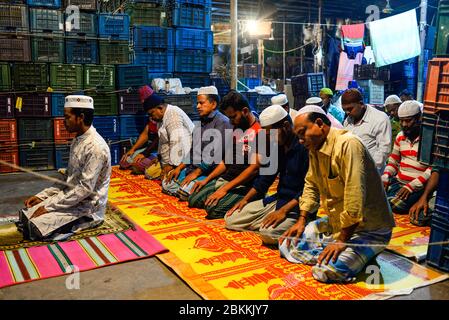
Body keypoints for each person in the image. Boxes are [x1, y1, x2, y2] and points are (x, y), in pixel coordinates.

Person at [279, 111, 395, 283]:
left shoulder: (349, 144)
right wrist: (301, 220)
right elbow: (310, 183)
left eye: (302, 133)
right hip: (338, 222)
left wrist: (341, 240)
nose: (301, 141)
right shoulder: (315, 148)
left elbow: (354, 195)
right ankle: (336, 251)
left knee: (325, 271)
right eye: (298, 136)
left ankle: (350, 251)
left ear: (320, 124)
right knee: (286, 243)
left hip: (369, 228)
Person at [18, 95, 112, 241]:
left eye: (67, 117)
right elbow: (67, 177)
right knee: (27, 213)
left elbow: (84, 189)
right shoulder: (78, 139)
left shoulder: (96, 147)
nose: (63, 121)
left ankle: (85, 223)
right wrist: (42, 196)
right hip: (71, 197)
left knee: (35, 226)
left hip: (88, 207)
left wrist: (49, 207)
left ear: (80, 117)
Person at [225, 105, 309, 245]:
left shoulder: (304, 147)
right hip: (278, 200)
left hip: (298, 206)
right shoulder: (277, 146)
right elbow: (265, 178)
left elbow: (309, 189)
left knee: (268, 234)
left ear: (286, 126)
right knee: (231, 219)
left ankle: (303, 225)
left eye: (270, 133)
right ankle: (265, 223)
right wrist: (245, 200)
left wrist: (283, 211)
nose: (269, 138)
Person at [188, 91, 262, 219]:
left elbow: (253, 170)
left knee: (213, 209)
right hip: (228, 178)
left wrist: (224, 189)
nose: (231, 122)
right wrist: (206, 180)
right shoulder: (236, 127)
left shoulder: (259, 131)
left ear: (244, 111)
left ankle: (250, 200)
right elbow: (226, 161)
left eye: (233, 117)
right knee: (193, 199)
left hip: (245, 184)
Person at [162, 86, 232, 199]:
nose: (198, 106)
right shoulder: (201, 122)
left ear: (213, 104)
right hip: (194, 169)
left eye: (201, 103)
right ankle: (187, 189)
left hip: (209, 172)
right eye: (197, 103)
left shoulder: (223, 122)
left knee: (184, 191)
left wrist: (196, 173)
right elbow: (192, 152)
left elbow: (214, 156)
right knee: (166, 182)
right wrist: (179, 168)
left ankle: (196, 189)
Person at [382, 101, 432, 226]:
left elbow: (432, 169)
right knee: (376, 197)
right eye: (401, 121)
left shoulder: (429, 139)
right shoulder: (400, 136)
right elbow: (393, 161)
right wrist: (386, 177)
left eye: (409, 121)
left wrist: (411, 186)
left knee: (396, 205)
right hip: (399, 182)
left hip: (417, 186)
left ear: (419, 118)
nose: (404, 125)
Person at [144, 89, 195, 181]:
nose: (151, 117)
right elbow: (162, 140)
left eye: (152, 113)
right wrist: (159, 157)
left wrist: (171, 165)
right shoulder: (161, 118)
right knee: (148, 173)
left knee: (167, 184)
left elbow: (177, 142)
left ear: (160, 108)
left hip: (182, 159)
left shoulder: (173, 114)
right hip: (168, 159)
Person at [342, 88, 392, 173]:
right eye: (344, 110)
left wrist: (366, 170)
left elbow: (384, 150)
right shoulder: (348, 120)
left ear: (361, 104)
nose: (347, 112)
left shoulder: (380, 119)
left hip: (372, 173)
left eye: (350, 109)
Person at [120, 85, 159, 175]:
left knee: (138, 167)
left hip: (158, 149)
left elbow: (159, 139)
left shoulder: (160, 113)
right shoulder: (150, 114)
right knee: (124, 162)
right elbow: (145, 134)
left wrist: (144, 153)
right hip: (150, 147)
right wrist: (132, 150)